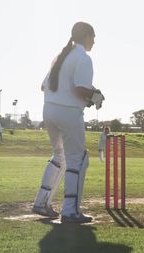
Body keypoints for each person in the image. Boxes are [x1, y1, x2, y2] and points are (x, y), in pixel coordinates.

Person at [32, 22, 105, 223]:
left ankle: (41, 202)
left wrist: (88, 95)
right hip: (68, 113)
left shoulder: (61, 56)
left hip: (49, 110)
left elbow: (42, 86)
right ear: (86, 36)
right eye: (93, 36)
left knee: (60, 156)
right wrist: (94, 96)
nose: (94, 41)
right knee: (78, 159)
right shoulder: (83, 57)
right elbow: (80, 89)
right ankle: (70, 211)